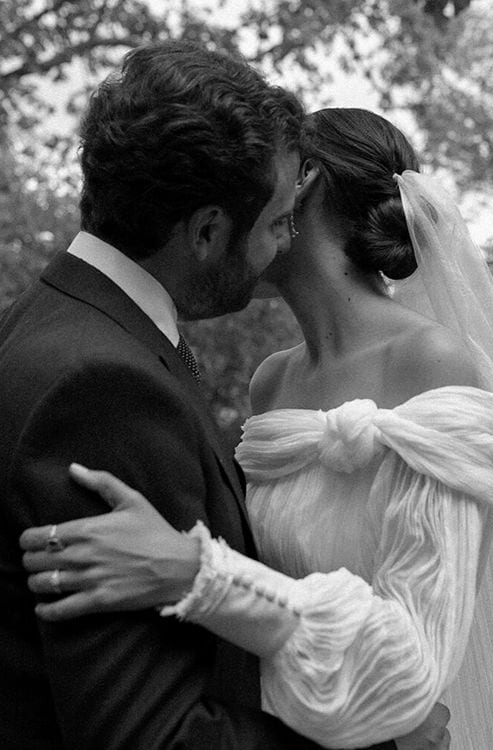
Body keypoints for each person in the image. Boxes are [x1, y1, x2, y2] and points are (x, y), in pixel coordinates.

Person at [19, 108, 493, 748]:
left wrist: (199, 573)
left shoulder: (432, 363)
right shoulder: (271, 382)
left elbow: (416, 660)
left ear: (303, 183)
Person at [0, 44, 417, 750]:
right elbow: (153, 735)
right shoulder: (104, 391)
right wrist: (382, 742)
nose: (285, 243)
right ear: (207, 232)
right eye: (279, 221)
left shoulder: (40, 320)